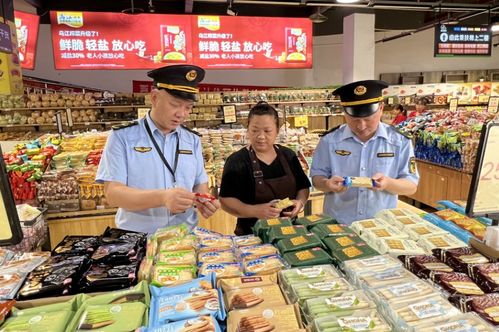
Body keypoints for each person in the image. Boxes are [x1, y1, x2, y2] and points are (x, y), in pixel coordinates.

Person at [96, 64, 220, 234]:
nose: (181, 114)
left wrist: (204, 201)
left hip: (184, 238)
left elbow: (200, 184)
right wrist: (162, 198)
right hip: (139, 239)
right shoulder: (122, 137)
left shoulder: (192, 140)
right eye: (175, 104)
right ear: (154, 97)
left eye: (188, 107)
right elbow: (113, 194)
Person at [310, 80, 419, 225]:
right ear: (345, 112)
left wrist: (388, 183)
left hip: (380, 225)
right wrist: (327, 184)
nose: (361, 126)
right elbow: (317, 178)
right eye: (354, 119)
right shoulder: (330, 141)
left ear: (381, 108)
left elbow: (411, 185)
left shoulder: (399, 142)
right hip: (339, 223)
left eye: (368, 119)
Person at [219, 102, 311, 235]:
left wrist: (300, 203)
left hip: (290, 232)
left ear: (277, 131)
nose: (261, 136)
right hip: (251, 236)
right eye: (254, 130)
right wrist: (256, 211)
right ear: (247, 129)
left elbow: (303, 187)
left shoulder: (288, 155)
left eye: (267, 131)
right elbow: (225, 201)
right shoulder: (237, 161)